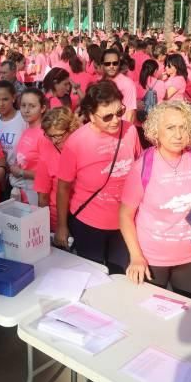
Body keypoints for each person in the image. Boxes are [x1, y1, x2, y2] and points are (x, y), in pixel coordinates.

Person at [120, 101, 191, 300]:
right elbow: (125, 216)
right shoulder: (143, 167)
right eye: (170, 128)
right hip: (152, 257)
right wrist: (136, 257)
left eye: (183, 127)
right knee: (150, 319)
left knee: (188, 316)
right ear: (156, 131)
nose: (178, 135)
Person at [55, 81, 142, 272]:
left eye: (119, 112)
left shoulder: (131, 131)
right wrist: (61, 225)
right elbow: (63, 187)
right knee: (91, 277)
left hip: (124, 224)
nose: (115, 120)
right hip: (88, 223)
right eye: (107, 116)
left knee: (120, 277)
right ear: (91, 116)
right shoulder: (76, 142)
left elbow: (139, 171)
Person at [35, 107, 80, 232]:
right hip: (57, 218)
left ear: (71, 129)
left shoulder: (83, 146)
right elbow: (43, 196)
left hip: (84, 216)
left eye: (59, 135)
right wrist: (43, 228)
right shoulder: (46, 154)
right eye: (50, 136)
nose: (54, 140)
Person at [0, 80, 27, 197]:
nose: (1, 104)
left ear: (14, 98)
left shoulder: (24, 118)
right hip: (0, 177)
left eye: (5, 99)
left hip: (20, 178)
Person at [10, 88, 47, 205]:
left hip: (36, 196)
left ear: (42, 108)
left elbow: (47, 174)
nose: (26, 110)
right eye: (23, 105)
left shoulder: (44, 134)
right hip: (23, 193)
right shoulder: (27, 129)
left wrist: (21, 172)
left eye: (32, 106)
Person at [97, 49, 137, 123]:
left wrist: (124, 133)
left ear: (119, 64)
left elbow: (130, 113)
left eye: (115, 63)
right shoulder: (98, 81)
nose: (111, 66)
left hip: (119, 127)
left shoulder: (127, 83)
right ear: (102, 65)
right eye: (107, 64)